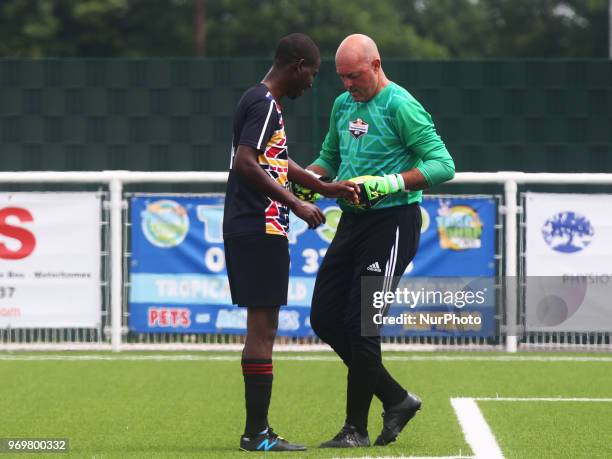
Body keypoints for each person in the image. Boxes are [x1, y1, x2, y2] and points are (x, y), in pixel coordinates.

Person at [306, 34, 455, 448]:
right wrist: (301, 181)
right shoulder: (343, 104)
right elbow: (330, 160)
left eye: (354, 76)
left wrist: (387, 183)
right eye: (341, 77)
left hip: (392, 224)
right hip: (351, 223)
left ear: (376, 65)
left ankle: (355, 429)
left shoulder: (401, 105)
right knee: (324, 318)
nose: (348, 85)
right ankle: (395, 398)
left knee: (362, 325)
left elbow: (443, 165)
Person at [222, 33, 359, 452]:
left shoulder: (261, 102)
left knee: (262, 327)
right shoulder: (264, 103)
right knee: (263, 330)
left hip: (255, 226)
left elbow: (274, 162)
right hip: (258, 226)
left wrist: (323, 186)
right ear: (297, 65)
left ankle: (257, 432)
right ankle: (256, 435)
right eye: (313, 74)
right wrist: (296, 205)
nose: (312, 83)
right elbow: (246, 162)